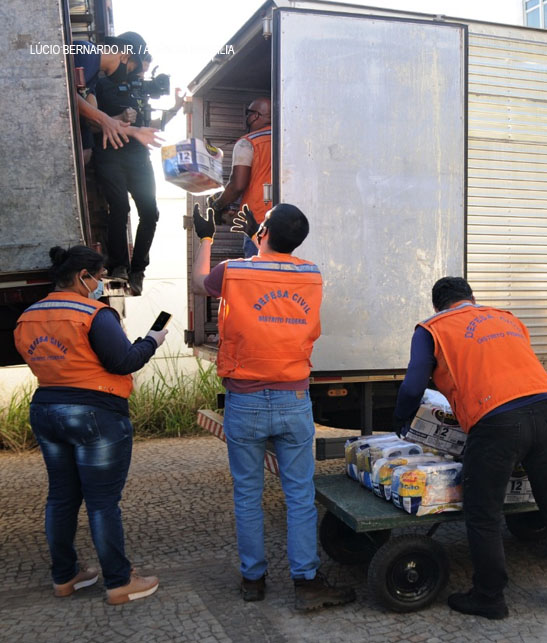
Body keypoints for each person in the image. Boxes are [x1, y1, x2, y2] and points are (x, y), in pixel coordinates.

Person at [190, 202, 355, 610]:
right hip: (293, 397)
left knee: (248, 493)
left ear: (262, 232)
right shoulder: (312, 274)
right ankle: (307, 581)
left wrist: (206, 236)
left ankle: (253, 579)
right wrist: (255, 238)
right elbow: (272, 271)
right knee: (299, 494)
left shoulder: (233, 271)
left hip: (244, 400)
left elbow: (199, 282)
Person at [393, 277, 547, 620]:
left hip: (495, 419)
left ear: (437, 306)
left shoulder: (431, 329)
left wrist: (401, 420)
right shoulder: (506, 317)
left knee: (483, 514)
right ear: (472, 298)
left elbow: (412, 386)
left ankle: (489, 597)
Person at [13, 245, 168, 604]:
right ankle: (118, 582)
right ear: (83, 277)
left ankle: (65, 578)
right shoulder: (94, 313)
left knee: (61, 497)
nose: (100, 284)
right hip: (96, 414)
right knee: (102, 503)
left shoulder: (28, 316)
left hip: (46, 409)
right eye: (98, 278)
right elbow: (124, 361)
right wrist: (152, 340)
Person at [93, 52, 178, 294]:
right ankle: (120, 265)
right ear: (127, 61)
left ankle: (137, 270)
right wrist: (119, 118)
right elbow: (90, 122)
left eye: (144, 70)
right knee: (120, 207)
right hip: (110, 153)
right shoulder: (101, 84)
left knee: (150, 212)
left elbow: (149, 126)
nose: (141, 74)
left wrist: (176, 108)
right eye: (139, 68)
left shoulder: (139, 90)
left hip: (138, 157)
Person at [72, 32, 162, 161]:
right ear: (125, 56)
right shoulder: (86, 52)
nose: (125, 77)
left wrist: (133, 131)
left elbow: (91, 119)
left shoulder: (93, 76)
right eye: (129, 70)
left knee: (86, 149)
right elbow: (66, 95)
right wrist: (104, 119)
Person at [209, 97, 272, 258]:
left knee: (257, 272)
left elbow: (238, 185)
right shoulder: (289, 139)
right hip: (287, 219)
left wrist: (218, 205)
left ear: (256, 116)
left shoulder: (248, 143)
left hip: (258, 220)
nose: (247, 118)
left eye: (248, 113)